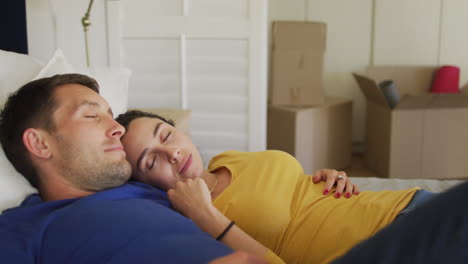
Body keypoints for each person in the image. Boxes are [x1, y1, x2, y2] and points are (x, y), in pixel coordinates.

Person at [0, 73, 263, 264]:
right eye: (92, 116)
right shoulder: (23, 228)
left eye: (111, 116)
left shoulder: (154, 188)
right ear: (39, 143)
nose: (118, 128)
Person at [116, 110, 437, 264]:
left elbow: (291, 188)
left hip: (405, 205)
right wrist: (205, 215)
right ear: (143, 183)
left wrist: (324, 177)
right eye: (150, 162)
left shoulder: (227, 158)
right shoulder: (189, 221)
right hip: (388, 249)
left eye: (166, 135)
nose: (171, 154)